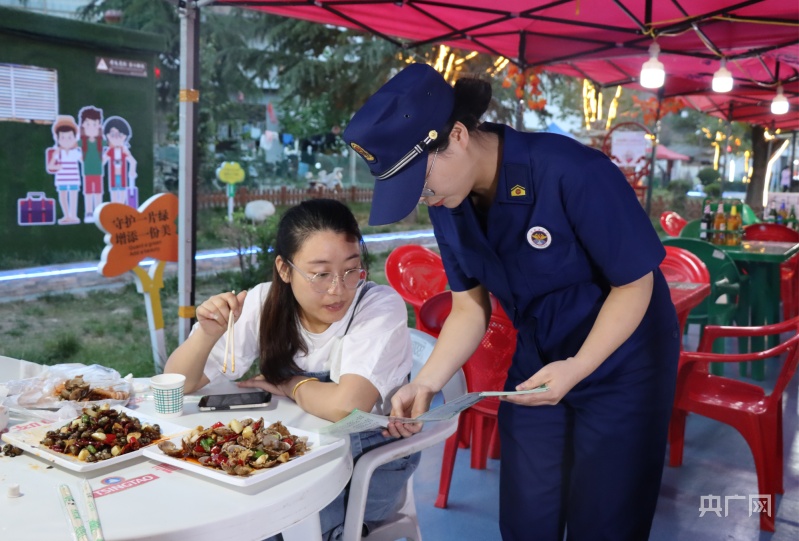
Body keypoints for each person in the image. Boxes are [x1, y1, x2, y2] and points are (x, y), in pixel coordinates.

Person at [342, 63, 680, 541]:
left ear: (456, 135)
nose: (422, 197)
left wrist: (579, 366)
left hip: (623, 363)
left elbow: (635, 284)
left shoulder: (572, 171)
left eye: (420, 180)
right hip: (539, 357)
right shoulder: (449, 200)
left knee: (607, 519)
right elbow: (469, 307)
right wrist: (427, 382)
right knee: (527, 514)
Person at [163, 198, 418, 540]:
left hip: (368, 462)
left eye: (351, 270)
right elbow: (177, 383)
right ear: (285, 270)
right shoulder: (263, 302)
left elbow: (346, 407)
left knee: (270, 527)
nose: (337, 289)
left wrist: (289, 384)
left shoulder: (377, 306)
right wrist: (207, 334)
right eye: (320, 273)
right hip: (300, 452)